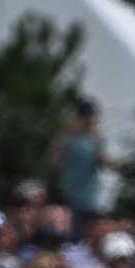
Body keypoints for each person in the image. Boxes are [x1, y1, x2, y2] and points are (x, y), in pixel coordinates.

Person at [50, 97, 109, 229]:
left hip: (90, 198)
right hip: (69, 197)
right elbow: (54, 161)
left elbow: (102, 162)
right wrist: (65, 135)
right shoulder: (67, 136)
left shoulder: (96, 138)